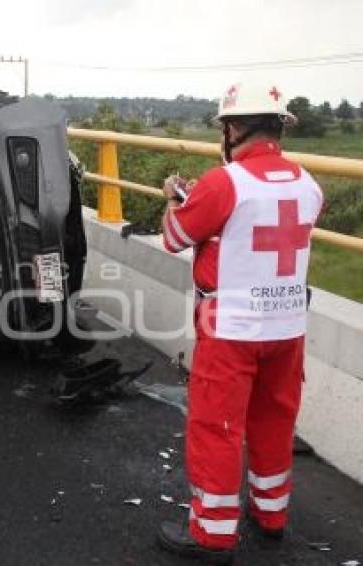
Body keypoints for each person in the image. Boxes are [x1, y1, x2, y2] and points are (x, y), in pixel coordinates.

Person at [156, 82, 323, 564]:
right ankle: (271, 516)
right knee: (274, 419)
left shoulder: (223, 182)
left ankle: (212, 534)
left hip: (230, 329)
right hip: (288, 328)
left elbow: (174, 236)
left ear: (232, 128)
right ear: (279, 127)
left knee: (218, 426)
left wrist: (174, 199)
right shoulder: (308, 183)